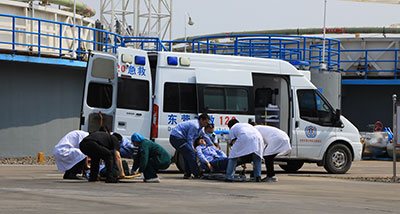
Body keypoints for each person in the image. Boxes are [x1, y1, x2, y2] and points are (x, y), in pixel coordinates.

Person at [169, 113, 210, 179]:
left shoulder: (201, 128)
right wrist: (192, 148)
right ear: (201, 120)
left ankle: (187, 174)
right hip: (176, 138)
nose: (206, 125)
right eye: (205, 122)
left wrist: (212, 144)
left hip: (181, 138)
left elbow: (205, 136)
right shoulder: (195, 126)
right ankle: (197, 174)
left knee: (186, 155)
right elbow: (190, 138)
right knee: (191, 153)